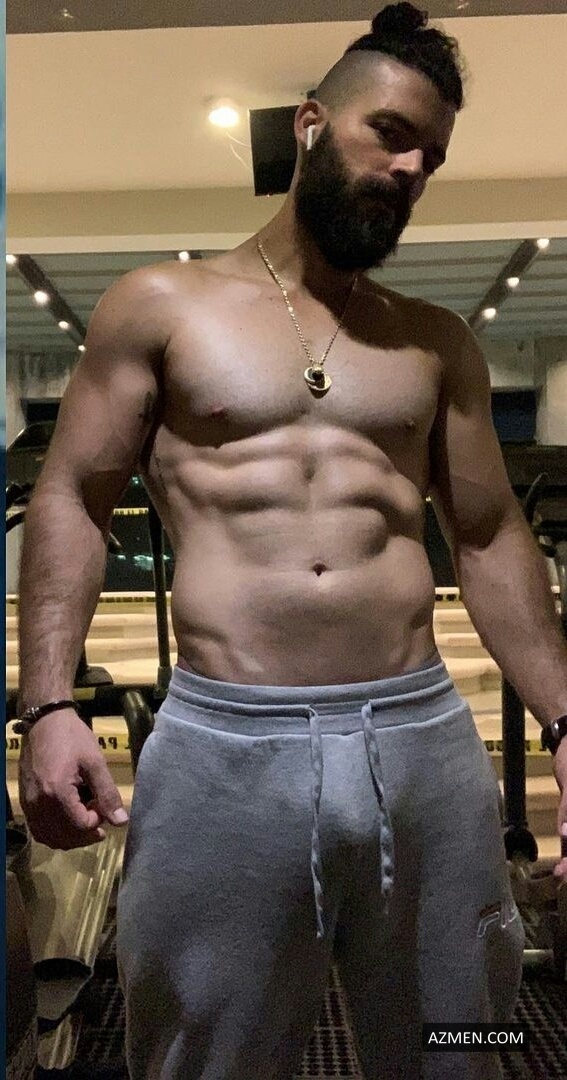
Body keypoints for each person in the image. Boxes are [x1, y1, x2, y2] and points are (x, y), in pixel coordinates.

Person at [16, 4, 567, 1079]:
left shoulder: (433, 341)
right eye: (390, 134)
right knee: (202, 1050)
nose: (409, 170)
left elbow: (491, 534)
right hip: (226, 746)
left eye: (431, 158)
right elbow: (73, 497)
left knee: (465, 1039)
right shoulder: (159, 306)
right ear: (313, 123)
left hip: (422, 743)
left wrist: (566, 719)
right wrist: (47, 704)